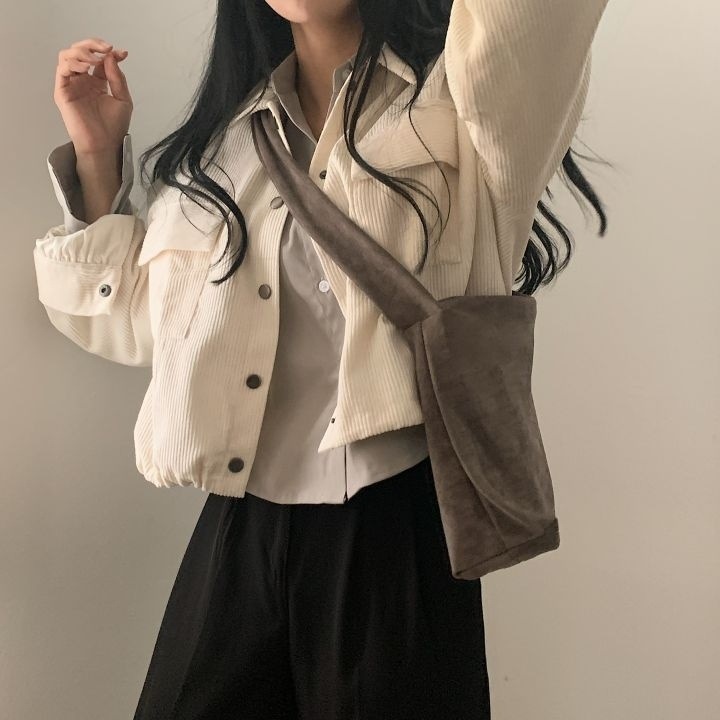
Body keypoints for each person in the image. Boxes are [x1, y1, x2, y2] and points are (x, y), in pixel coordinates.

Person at [36, 1, 610, 717]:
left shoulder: (468, 101)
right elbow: (136, 326)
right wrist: (96, 156)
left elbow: (537, 20)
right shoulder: (225, 147)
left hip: (391, 526)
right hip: (238, 527)